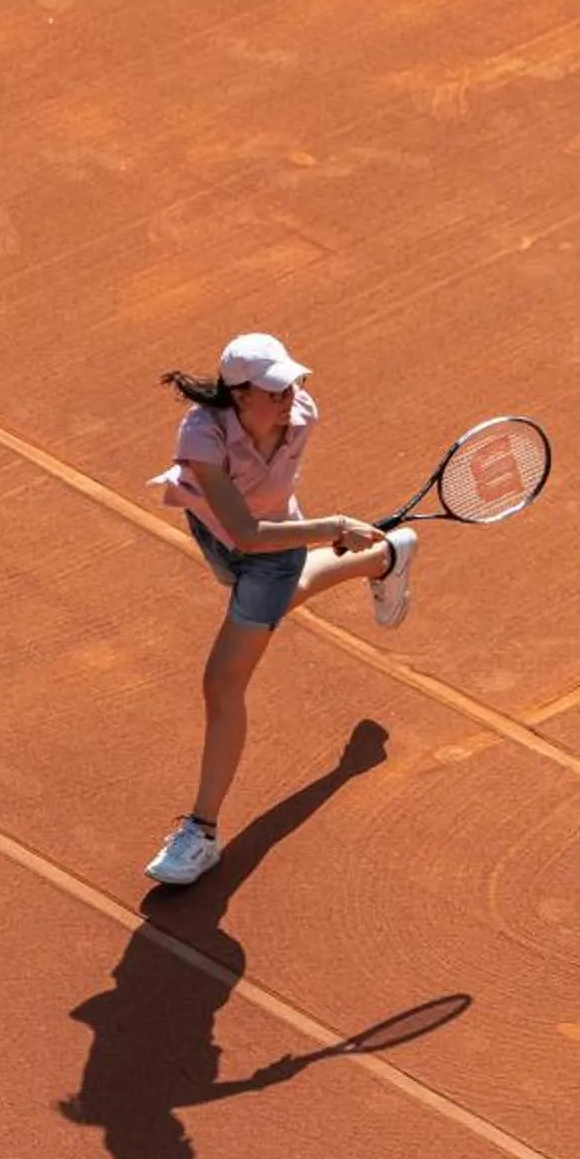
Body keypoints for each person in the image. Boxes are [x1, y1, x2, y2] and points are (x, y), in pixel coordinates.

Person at [145, 332, 415, 886]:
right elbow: (243, 531)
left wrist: (318, 532)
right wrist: (335, 529)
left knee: (222, 683)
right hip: (223, 535)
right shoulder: (202, 434)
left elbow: (262, 535)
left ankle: (201, 833)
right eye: (274, 391)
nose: (289, 397)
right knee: (268, 608)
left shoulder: (302, 414)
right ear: (239, 394)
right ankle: (385, 558)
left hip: (275, 554)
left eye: (291, 384)